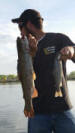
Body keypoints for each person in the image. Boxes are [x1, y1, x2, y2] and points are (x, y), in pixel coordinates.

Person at [12, 9, 75, 133]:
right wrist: (32, 54)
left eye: (20, 27)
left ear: (29, 25)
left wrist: (71, 51)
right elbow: (23, 74)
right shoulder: (26, 47)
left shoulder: (58, 39)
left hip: (62, 108)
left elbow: (74, 51)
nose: (20, 31)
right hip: (38, 112)